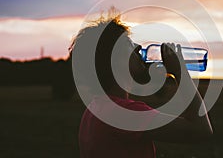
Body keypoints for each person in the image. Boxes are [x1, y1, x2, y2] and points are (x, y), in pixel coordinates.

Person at [69, 13, 213, 158]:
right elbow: (200, 130)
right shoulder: (123, 113)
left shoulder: (95, 108)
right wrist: (180, 71)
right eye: (127, 43)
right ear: (113, 60)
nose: (138, 47)